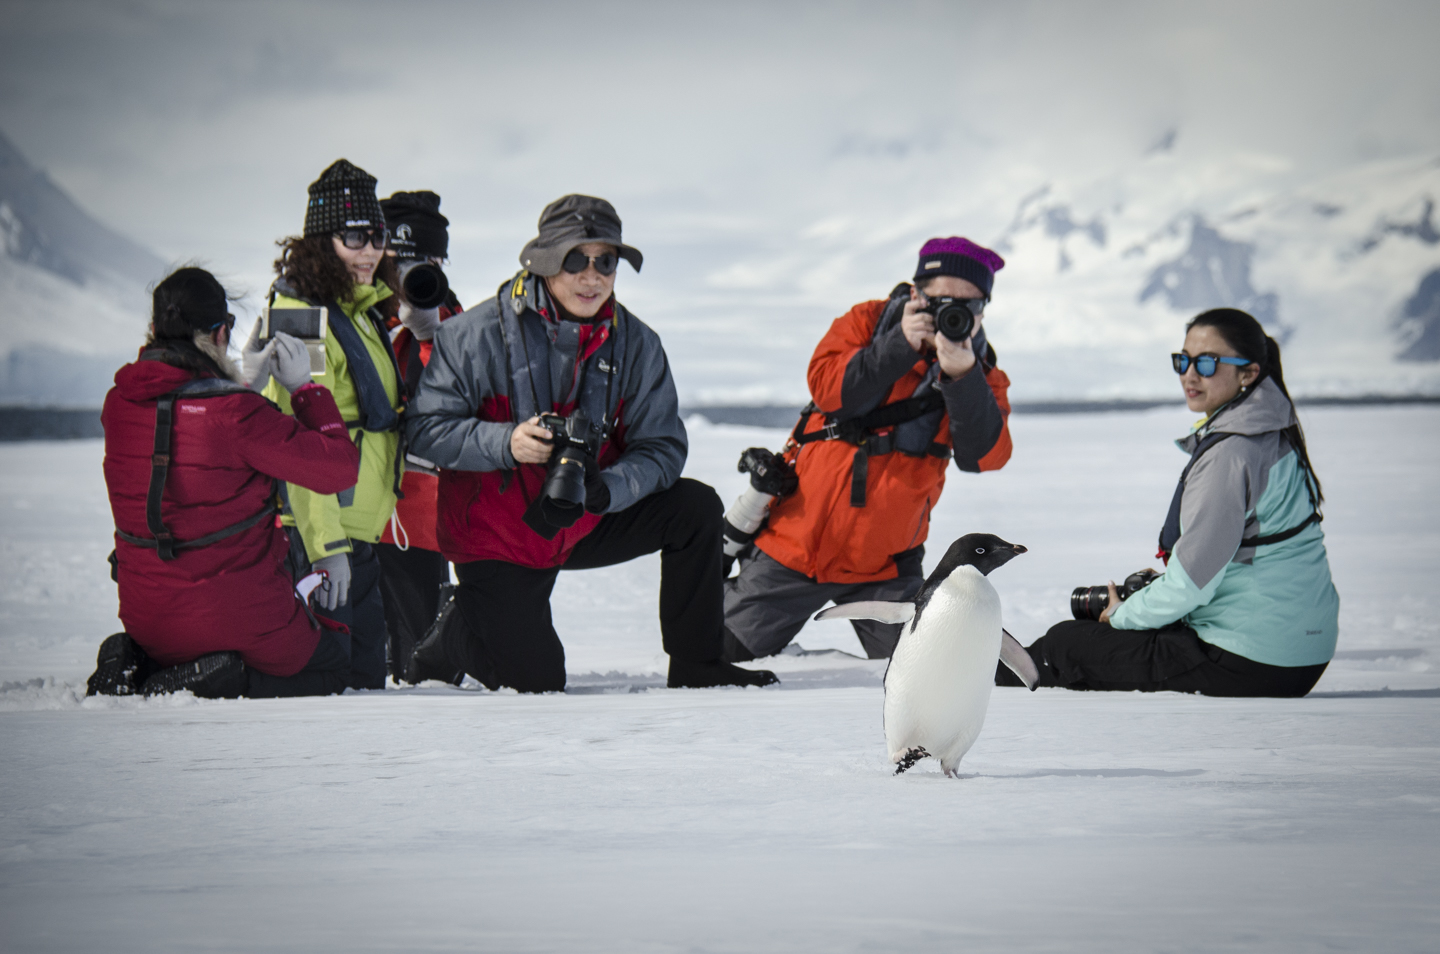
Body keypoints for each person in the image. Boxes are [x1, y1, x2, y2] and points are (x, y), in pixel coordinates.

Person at [405, 194, 778, 692]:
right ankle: (459, 630)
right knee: (537, 683)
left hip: (583, 516)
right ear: (544, 260)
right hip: (498, 535)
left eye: (607, 261)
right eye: (577, 259)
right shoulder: (472, 337)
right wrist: (507, 442)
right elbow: (426, 430)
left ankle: (698, 664)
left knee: (695, 507)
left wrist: (611, 489)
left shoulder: (637, 343)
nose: (593, 275)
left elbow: (662, 445)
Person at [996, 308, 1338, 697]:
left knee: (1065, 645)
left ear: (1249, 373)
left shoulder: (1231, 454)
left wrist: (1122, 615)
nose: (1190, 374)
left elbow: (1190, 586)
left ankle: (981, 687)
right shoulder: (1275, 436)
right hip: (1302, 651)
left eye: (1207, 362)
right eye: (1184, 360)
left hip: (1250, 658)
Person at [722, 237, 1014, 661]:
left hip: (886, 565)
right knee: (718, 654)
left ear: (982, 310)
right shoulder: (866, 323)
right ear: (916, 294)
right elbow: (828, 391)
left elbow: (985, 456)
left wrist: (963, 378)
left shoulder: (981, 370)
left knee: (921, 673)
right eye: (940, 300)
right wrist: (897, 346)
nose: (951, 312)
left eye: (965, 305)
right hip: (795, 550)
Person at [88, 267, 360, 699]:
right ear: (220, 334)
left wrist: (242, 382)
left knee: (174, 636)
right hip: (239, 616)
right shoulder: (236, 413)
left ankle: (137, 663)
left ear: (155, 328)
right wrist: (303, 388)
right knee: (333, 665)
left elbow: (187, 421)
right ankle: (220, 676)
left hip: (148, 618)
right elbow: (339, 469)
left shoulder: (117, 404)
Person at [262, 159, 404, 691]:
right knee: (339, 689)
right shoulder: (302, 320)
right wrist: (326, 549)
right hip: (322, 532)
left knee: (363, 684)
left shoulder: (358, 309)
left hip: (353, 529)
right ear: (323, 242)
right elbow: (297, 444)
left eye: (377, 236)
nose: (370, 250)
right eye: (354, 236)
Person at [372, 191, 466, 682]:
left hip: (422, 508)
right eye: (400, 261)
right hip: (361, 499)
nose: (410, 274)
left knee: (421, 669)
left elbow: (459, 405)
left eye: (427, 260)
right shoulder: (360, 320)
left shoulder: (458, 325)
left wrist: (432, 339)